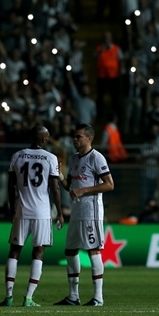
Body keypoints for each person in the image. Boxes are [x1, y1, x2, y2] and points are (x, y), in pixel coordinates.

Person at [0, 125, 64, 307]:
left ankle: (8, 296)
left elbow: (11, 186)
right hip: (42, 212)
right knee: (38, 252)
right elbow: (55, 188)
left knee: (14, 251)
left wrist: (12, 210)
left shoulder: (17, 156)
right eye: (48, 137)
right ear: (43, 139)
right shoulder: (51, 158)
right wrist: (59, 212)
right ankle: (28, 298)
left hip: (22, 210)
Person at [54, 124, 114, 306]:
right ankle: (73, 296)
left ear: (89, 138)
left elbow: (109, 184)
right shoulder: (73, 159)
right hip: (77, 211)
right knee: (70, 251)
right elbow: (70, 187)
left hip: (91, 211)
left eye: (79, 136)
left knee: (93, 250)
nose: (75, 139)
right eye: (74, 136)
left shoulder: (96, 158)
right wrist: (60, 175)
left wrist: (84, 191)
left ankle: (98, 297)